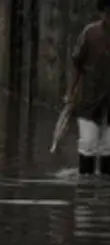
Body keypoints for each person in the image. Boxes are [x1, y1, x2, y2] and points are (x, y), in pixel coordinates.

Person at [67, 0, 110, 175]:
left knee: (108, 149)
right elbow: (77, 64)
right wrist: (70, 93)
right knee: (88, 145)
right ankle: (86, 193)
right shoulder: (90, 33)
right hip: (89, 100)